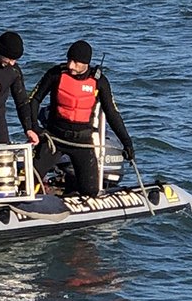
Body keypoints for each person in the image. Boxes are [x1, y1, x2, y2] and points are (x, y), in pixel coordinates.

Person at [29, 40, 134, 197]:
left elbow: (112, 113)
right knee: (30, 178)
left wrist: (127, 143)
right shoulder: (56, 74)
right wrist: (33, 128)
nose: (71, 65)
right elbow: (34, 100)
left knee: (90, 191)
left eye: (76, 62)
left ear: (86, 63)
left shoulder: (99, 81)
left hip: (82, 142)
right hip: (55, 139)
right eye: (69, 60)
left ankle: (70, 187)